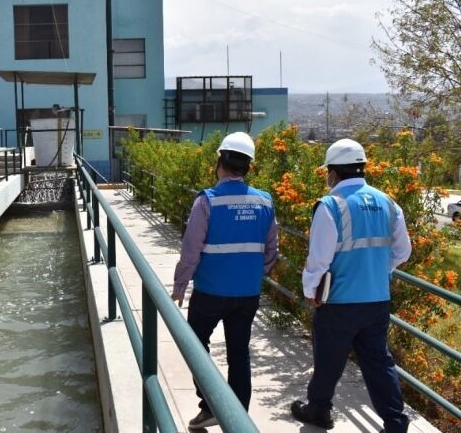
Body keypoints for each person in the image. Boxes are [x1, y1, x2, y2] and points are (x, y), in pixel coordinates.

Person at [291, 138, 412, 432]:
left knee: (329, 361)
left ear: (334, 171)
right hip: (376, 300)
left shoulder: (330, 206)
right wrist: (376, 271)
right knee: (379, 363)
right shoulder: (388, 203)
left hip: (339, 302)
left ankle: (319, 411)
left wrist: (311, 292)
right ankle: (395, 422)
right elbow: (403, 251)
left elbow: (318, 260)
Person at [171, 131, 278, 429]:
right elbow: (272, 250)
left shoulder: (207, 201)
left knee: (195, 344)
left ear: (220, 162)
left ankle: (211, 404)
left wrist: (180, 286)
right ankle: (237, 418)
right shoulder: (265, 202)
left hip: (209, 292)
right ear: (248, 168)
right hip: (247, 294)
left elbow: (191, 250)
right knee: (239, 352)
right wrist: (257, 274)